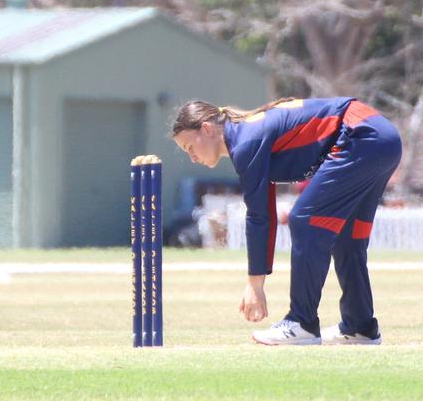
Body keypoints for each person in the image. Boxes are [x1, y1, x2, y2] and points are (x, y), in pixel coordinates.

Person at [171, 97, 401, 345]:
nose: (192, 158)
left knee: (304, 218)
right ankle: (360, 326)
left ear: (206, 128)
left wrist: (255, 286)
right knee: (347, 237)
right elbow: (265, 212)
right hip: (383, 137)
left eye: (189, 147)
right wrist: (257, 279)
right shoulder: (247, 136)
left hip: (362, 136)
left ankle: (301, 322)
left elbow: (258, 217)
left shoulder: (246, 141)